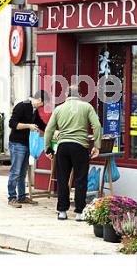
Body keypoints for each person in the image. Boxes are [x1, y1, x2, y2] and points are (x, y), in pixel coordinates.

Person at [44, 85, 101, 221]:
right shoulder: (86, 107)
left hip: (63, 147)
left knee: (63, 179)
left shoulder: (59, 109)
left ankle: (62, 211)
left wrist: (47, 148)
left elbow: (48, 130)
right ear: (80, 94)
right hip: (80, 146)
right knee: (81, 179)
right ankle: (79, 212)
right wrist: (97, 146)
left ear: (66, 95)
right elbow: (97, 125)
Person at [7, 90, 49, 208]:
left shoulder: (33, 110)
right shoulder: (22, 106)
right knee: (15, 171)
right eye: (43, 104)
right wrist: (28, 126)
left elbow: (40, 123)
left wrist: (52, 131)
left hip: (26, 144)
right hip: (16, 143)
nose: (42, 107)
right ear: (40, 100)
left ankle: (21, 197)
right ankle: (11, 197)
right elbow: (12, 123)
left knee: (22, 172)